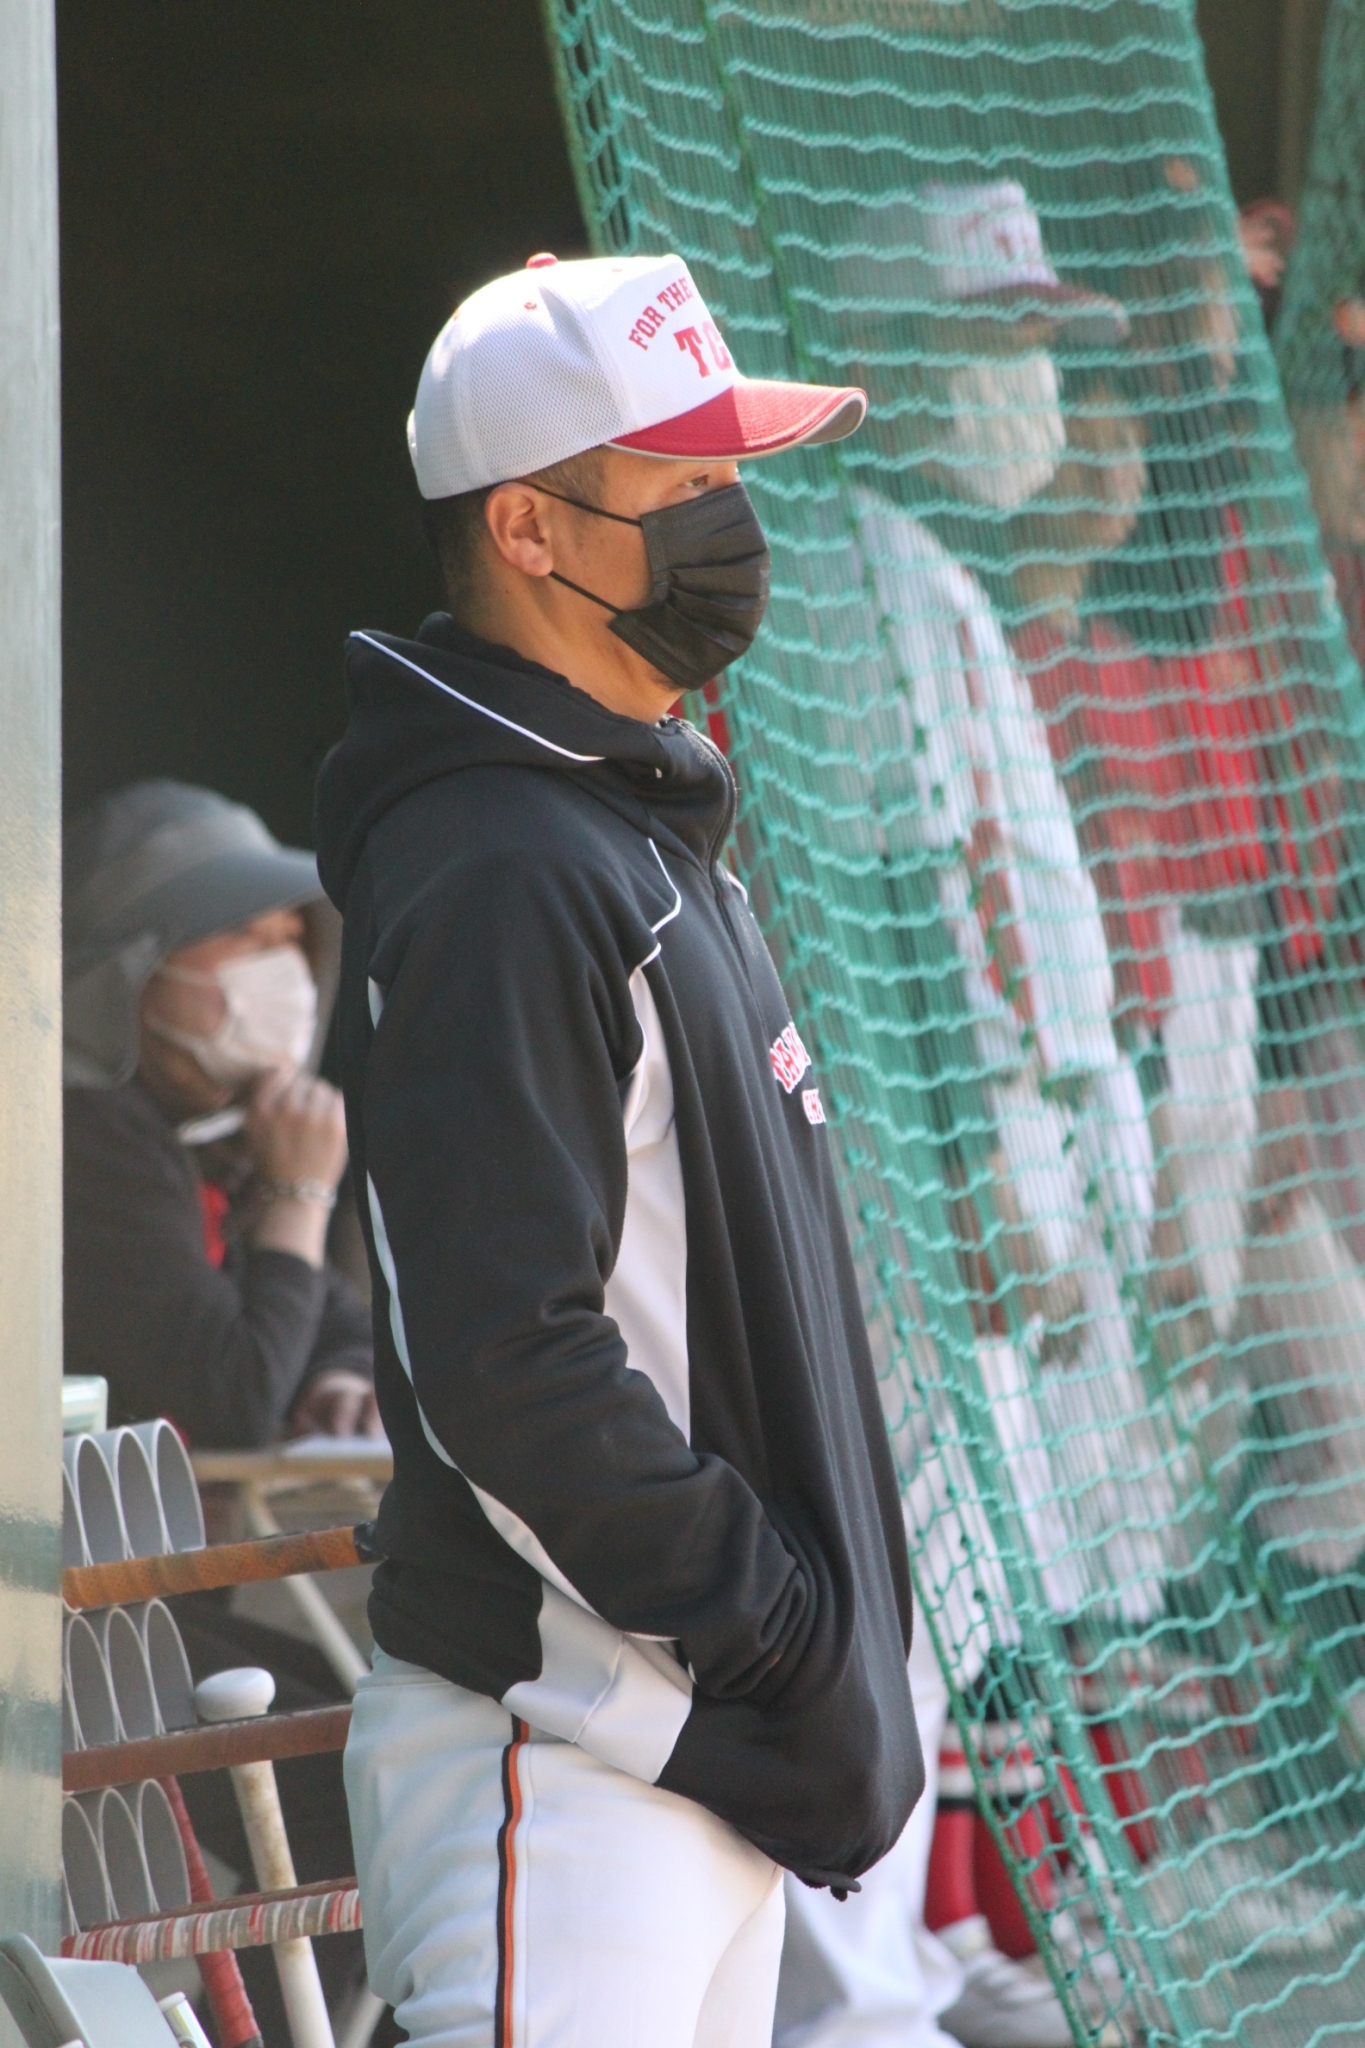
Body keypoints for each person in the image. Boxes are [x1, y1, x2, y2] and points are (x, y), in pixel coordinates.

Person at [319, 251, 922, 2048]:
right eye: (684, 484)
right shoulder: (507, 862)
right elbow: (510, 1359)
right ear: (527, 527)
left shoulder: (621, 815)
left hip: (678, 1763)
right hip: (570, 1756)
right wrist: (772, 1629)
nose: (730, 527)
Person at [63, 779, 377, 1446]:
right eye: (246, 935)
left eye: (291, 939)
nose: (286, 971)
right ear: (137, 965)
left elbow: (333, 1322)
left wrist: (339, 1379)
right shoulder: (86, 1139)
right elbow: (237, 1399)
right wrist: (299, 1195)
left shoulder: (216, 1131)